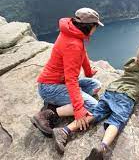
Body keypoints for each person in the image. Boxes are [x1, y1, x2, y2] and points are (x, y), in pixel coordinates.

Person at [52, 43, 139, 158]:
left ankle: (64, 131)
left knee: (95, 113)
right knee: (116, 121)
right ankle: (101, 148)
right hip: (126, 97)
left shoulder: (132, 64)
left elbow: (136, 62)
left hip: (111, 90)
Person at [31, 8, 104, 137]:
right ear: (89, 26)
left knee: (95, 85)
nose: (96, 29)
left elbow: (83, 52)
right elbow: (71, 80)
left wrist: (88, 71)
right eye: (96, 26)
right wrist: (78, 109)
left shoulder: (72, 32)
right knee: (95, 108)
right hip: (51, 88)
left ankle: (60, 101)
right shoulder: (73, 45)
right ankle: (48, 114)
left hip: (57, 83)